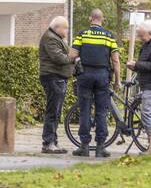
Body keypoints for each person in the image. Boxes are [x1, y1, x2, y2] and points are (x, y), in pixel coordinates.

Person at [68, 9, 121, 158]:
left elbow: (72, 55)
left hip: (84, 75)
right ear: (102, 19)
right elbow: (115, 60)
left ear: (90, 18)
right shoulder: (109, 36)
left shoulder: (82, 34)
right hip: (102, 76)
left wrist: (78, 59)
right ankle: (100, 147)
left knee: (84, 109)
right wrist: (117, 80)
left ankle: (84, 147)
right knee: (101, 111)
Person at [37, 15, 74, 154]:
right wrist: (73, 58)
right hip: (53, 77)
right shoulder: (50, 38)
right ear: (57, 27)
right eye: (66, 28)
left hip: (58, 78)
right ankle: (48, 143)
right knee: (53, 111)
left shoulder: (55, 38)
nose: (67, 31)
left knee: (56, 112)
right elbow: (59, 58)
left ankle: (53, 141)